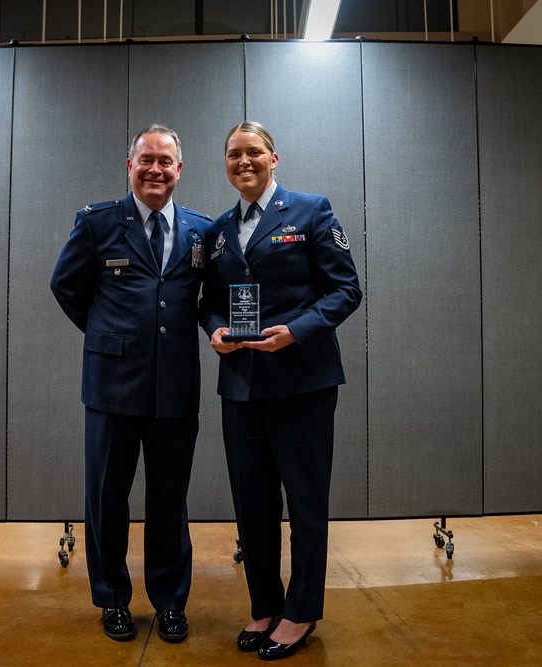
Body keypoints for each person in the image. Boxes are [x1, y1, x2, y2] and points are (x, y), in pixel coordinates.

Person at [199, 121, 362, 661]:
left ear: (274, 158)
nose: (243, 162)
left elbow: (346, 289)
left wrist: (297, 331)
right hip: (241, 387)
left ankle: (300, 613)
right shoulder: (218, 230)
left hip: (302, 383)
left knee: (307, 503)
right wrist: (216, 329)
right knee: (253, 505)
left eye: (253, 153)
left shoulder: (312, 210)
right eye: (233, 154)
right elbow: (208, 301)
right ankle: (265, 606)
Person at [50, 124, 211, 644]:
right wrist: (107, 336)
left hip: (175, 389)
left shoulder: (200, 231)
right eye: (146, 160)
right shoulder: (97, 224)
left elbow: (204, 300)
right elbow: (66, 286)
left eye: (166, 161)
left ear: (179, 170)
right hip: (111, 388)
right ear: (130, 165)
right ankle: (113, 600)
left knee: (169, 501)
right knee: (107, 498)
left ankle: (169, 603)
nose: (156, 169)